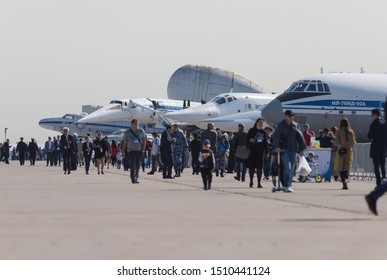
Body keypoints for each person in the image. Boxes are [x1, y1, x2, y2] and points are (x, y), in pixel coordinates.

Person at [273, 110, 306, 193]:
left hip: (294, 150)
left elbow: (300, 137)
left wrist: (301, 149)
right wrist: (277, 147)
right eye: (290, 116)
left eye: (292, 116)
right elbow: (276, 136)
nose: (292, 117)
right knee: (288, 167)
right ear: (285, 116)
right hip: (284, 150)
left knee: (291, 169)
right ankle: (287, 185)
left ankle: (288, 185)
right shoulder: (281, 125)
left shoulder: (296, 125)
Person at [122, 119, 147, 184]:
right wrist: (123, 152)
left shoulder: (141, 131)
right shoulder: (127, 132)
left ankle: (136, 177)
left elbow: (144, 141)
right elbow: (124, 142)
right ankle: (133, 178)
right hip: (130, 151)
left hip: (139, 151)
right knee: (132, 165)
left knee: (138, 165)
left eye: (137, 123)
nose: (136, 125)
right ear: (131, 124)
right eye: (135, 123)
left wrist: (143, 150)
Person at [334, 118, 356, 190]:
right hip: (348, 150)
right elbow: (353, 142)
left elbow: (337, 142)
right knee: (347, 166)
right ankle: (346, 179)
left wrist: (334, 142)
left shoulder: (338, 131)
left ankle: (343, 181)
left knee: (341, 166)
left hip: (341, 150)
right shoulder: (351, 131)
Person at [247, 118, 269, 188]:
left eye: (262, 123)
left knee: (260, 168)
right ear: (256, 123)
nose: (261, 124)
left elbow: (265, 143)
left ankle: (259, 183)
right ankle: (251, 181)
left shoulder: (263, 132)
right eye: (260, 122)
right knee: (251, 168)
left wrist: (267, 152)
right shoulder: (251, 130)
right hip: (252, 151)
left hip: (260, 152)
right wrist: (250, 140)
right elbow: (247, 139)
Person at [368, 108, 386, 186]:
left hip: (376, 148)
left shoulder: (373, 124)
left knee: (376, 167)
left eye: (372, 115)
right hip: (383, 148)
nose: (371, 116)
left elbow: (369, 136)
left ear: (375, 115)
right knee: (383, 165)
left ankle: (378, 182)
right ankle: (384, 178)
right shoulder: (384, 123)